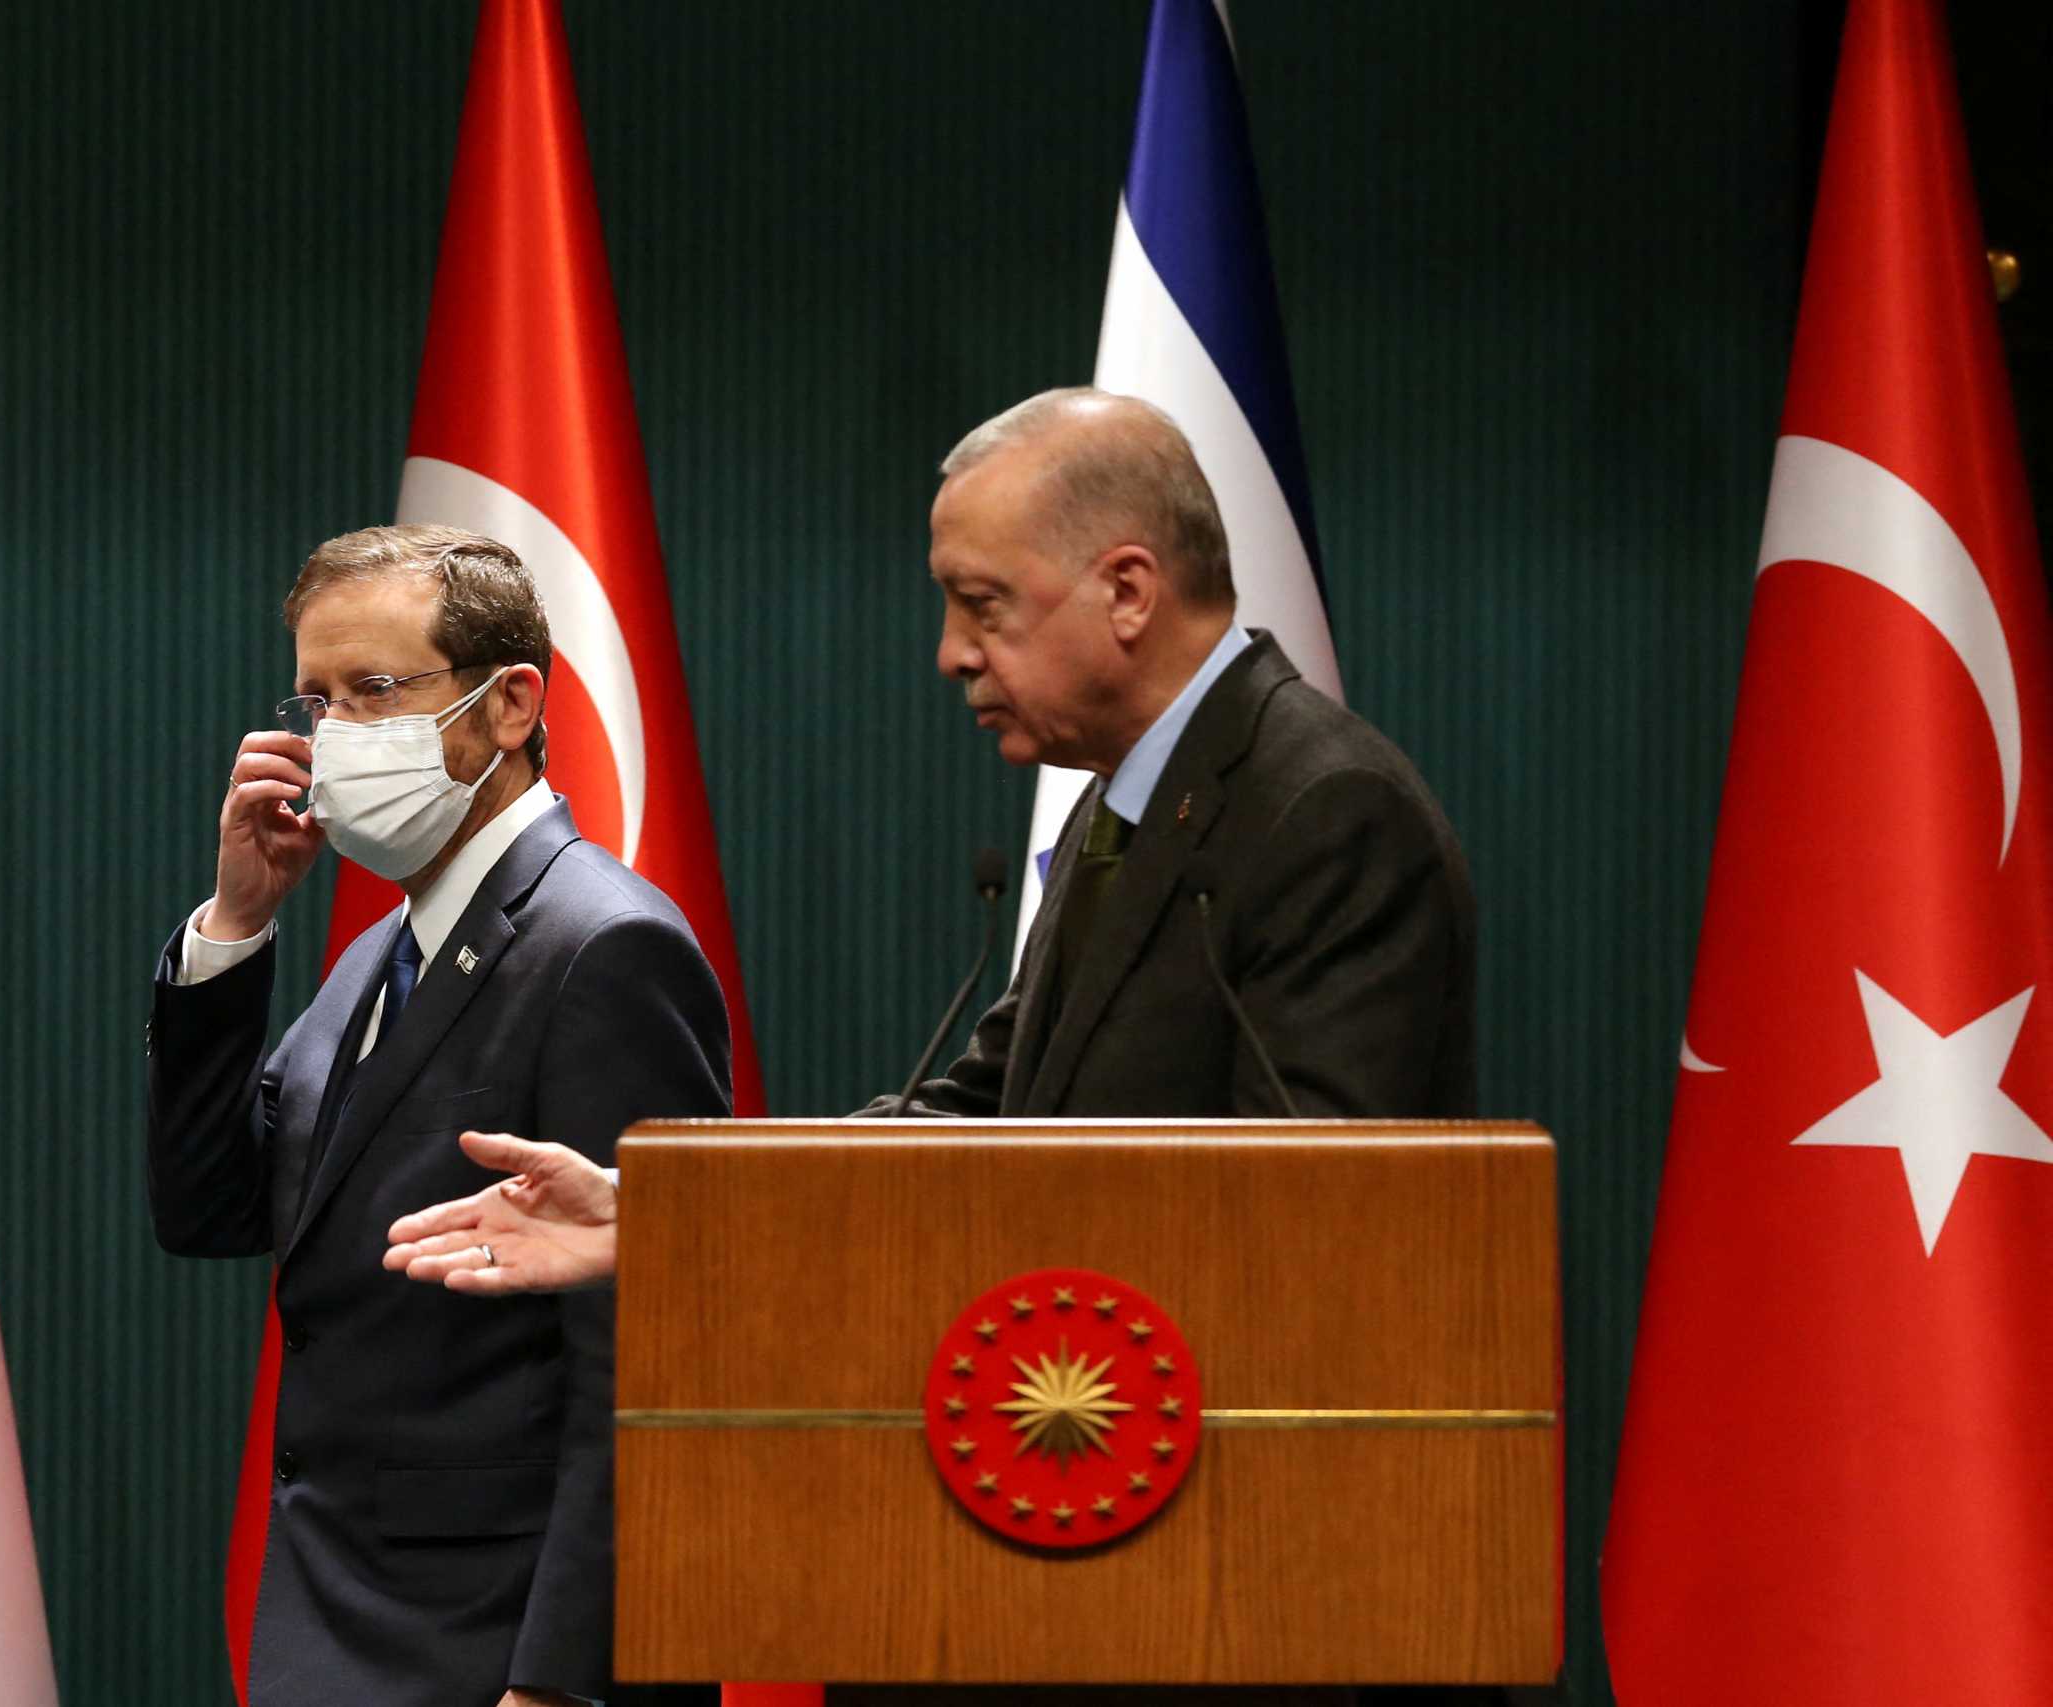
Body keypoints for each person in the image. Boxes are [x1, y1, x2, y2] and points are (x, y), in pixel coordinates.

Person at [383, 386, 1476, 1292]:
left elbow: (1328, 1221)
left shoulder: (1324, 811)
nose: (951, 654)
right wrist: (666, 1208)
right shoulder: (1127, 803)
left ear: (1129, 592)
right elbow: (988, 1116)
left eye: (982, 604)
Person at [145, 524, 733, 1707]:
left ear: (510, 705)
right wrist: (235, 927)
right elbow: (212, 1205)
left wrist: (565, 1682)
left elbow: (652, 1354)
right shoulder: (377, 951)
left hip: (498, 1650)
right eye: (317, 700)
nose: (333, 738)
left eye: (375, 691)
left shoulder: (603, 944)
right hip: (343, 1615)